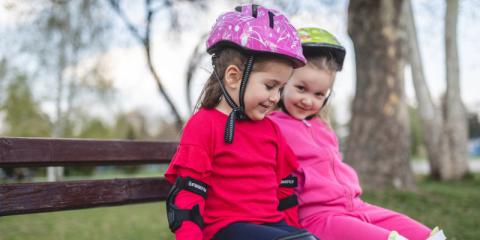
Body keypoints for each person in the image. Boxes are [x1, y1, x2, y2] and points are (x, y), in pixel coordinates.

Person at [269, 27, 447, 240]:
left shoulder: (322, 128)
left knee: (430, 236)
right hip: (318, 216)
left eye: (319, 94)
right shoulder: (273, 125)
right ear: (284, 82)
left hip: (357, 207)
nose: (308, 100)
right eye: (301, 88)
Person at [164, 5, 318, 240]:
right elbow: (188, 197)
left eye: (280, 88)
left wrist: (296, 231)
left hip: (270, 227)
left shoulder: (271, 129)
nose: (276, 98)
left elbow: (285, 190)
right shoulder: (204, 125)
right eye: (269, 86)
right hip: (225, 230)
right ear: (234, 77)